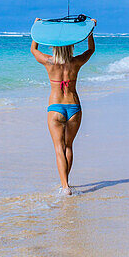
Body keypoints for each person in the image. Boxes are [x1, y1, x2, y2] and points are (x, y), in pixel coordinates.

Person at [30, 23, 95, 195]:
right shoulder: (75, 62)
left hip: (56, 108)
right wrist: (90, 31)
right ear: (71, 46)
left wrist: (36, 27)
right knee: (68, 146)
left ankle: (65, 186)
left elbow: (33, 50)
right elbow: (90, 51)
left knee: (59, 148)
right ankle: (66, 182)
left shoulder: (49, 62)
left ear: (54, 48)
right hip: (74, 107)